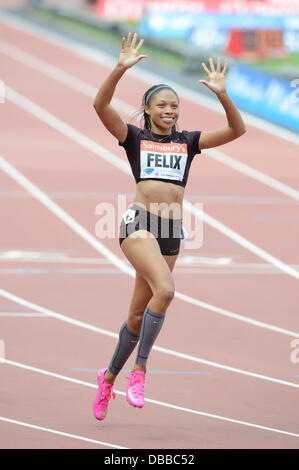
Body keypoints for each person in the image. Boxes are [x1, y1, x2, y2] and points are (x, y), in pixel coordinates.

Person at [92, 32, 246, 421]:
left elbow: (236, 131)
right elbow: (100, 105)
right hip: (139, 224)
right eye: (162, 105)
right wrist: (119, 68)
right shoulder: (135, 138)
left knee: (136, 317)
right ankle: (139, 371)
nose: (170, 111)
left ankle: (108, 377)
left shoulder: (189, 142)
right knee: (167, 289)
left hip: (171, 233)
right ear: (147, 108)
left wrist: (222, 95)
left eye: (175, 106)